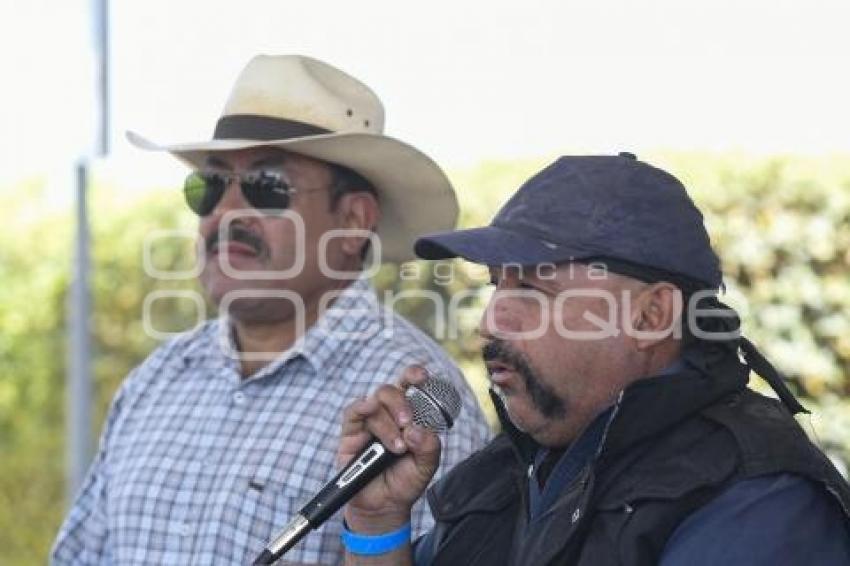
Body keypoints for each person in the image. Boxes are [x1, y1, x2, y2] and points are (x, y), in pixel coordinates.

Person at [51, 54, 490, 565]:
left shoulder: (413, 403)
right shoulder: (157, 380)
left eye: (267, 188)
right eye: (208, 187)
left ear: (352, 222)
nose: (225, 212)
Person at [336, 154, 850, 565]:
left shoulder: (757, 503)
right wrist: (378, 526)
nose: (491, 322)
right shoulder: (509, 471)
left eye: (533, 289)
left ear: (650, 316)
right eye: (496, 285)